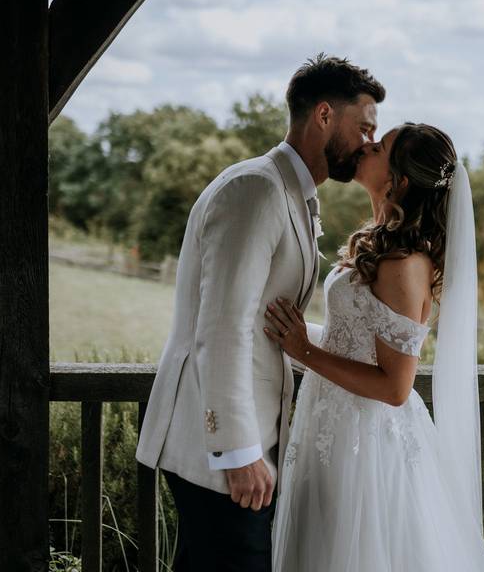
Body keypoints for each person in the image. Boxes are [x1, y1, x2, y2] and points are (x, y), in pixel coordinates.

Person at [135, 54, 385, 571]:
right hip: (218, 450)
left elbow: (268, 323)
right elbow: (222, 328)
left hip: (251, 442)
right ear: (323, 116)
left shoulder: (295, 195)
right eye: (363, 127)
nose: (367, 143)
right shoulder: (256, 189)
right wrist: (238, 449)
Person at [266, 123, 484, 571]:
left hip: (366, 445)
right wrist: (291, 335)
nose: (367, 147)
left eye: (381, 147)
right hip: (333, 425)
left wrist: (305, 351)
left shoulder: (404, 264)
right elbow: (351, 341)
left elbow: (395, 386)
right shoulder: (382, 246)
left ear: (399, 181)